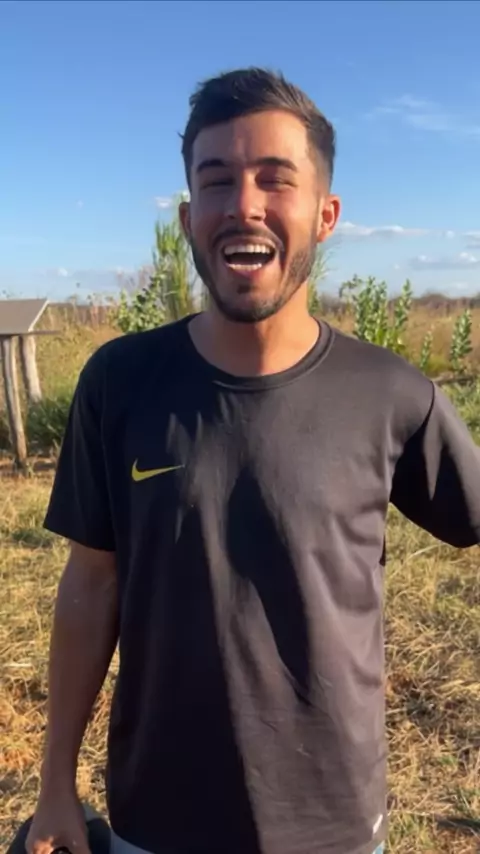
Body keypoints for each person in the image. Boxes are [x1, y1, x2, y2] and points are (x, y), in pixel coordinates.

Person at [25, 67, 480, 854]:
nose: (244, 204)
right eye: (217, 181)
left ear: (325, 214)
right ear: (188, 216)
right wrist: (55, 784)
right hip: (156, 818)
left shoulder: (391, 392)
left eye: (276, 179)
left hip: (334, 824)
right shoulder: (121, 382)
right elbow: (90, 584)